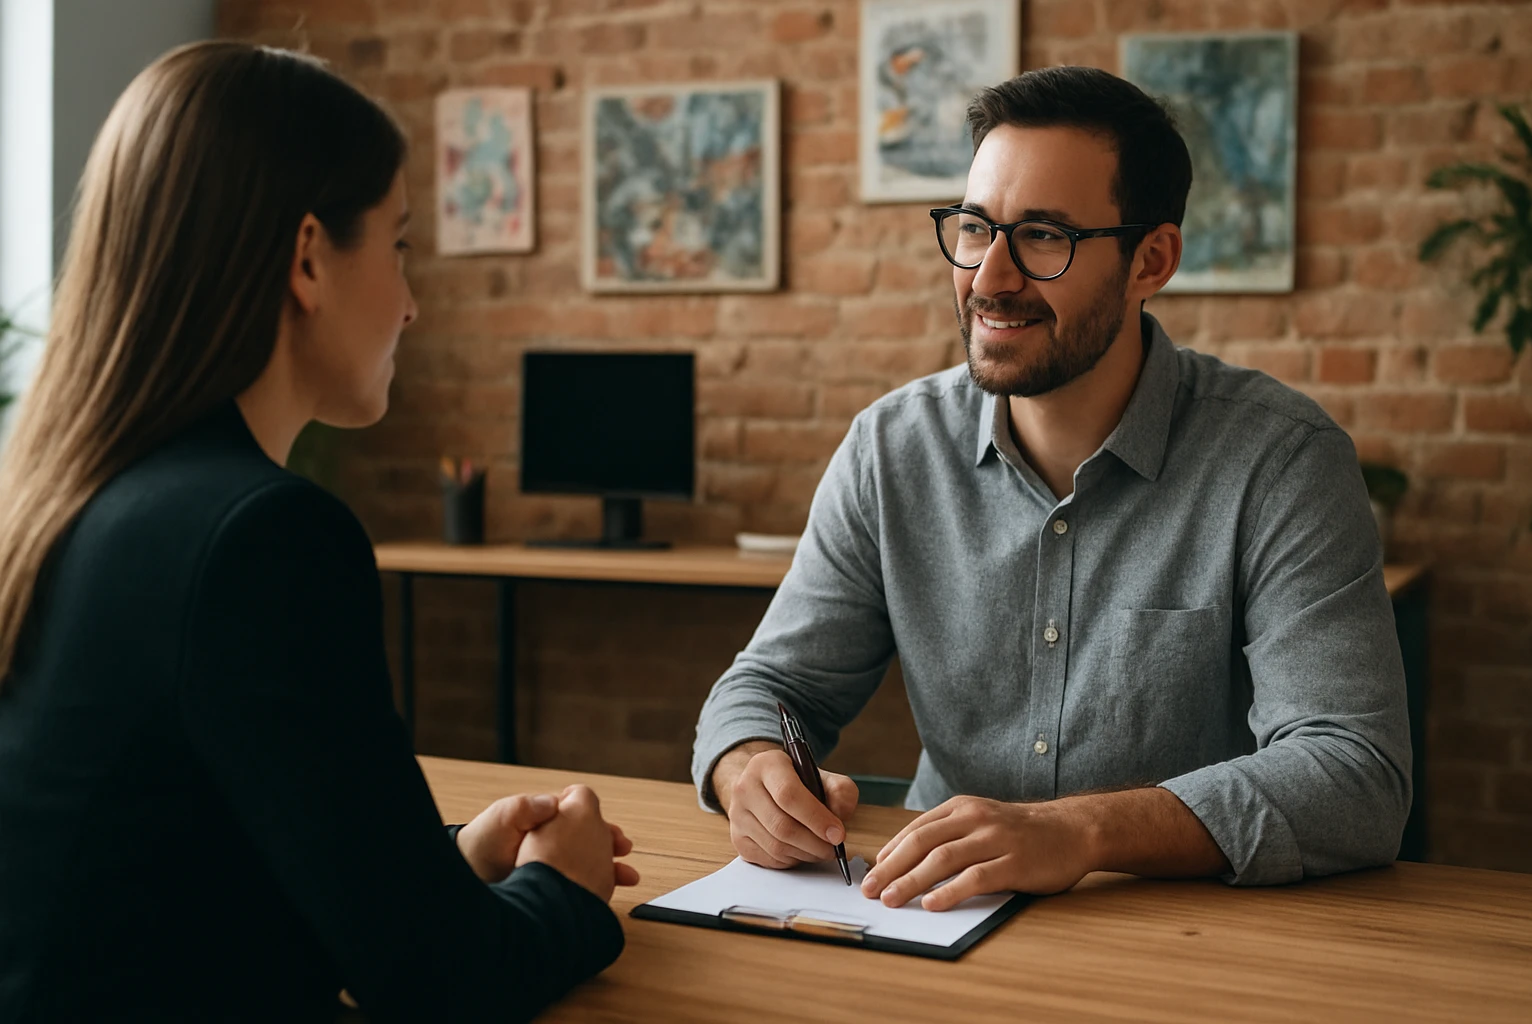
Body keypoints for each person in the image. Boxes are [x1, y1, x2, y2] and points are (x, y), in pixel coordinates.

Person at [0, 42, 634, 1022]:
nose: (414, 301)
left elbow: (171, 880)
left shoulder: (64, 501)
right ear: (307, 258)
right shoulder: (263, 538)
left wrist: (443, 865)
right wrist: (567, 882)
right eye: (399, 243)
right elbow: (443, 985)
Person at [693, 66, 1411, 911]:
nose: (990, 278)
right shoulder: (891, 449)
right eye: (974, 229)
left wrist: (1081, 831)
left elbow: (1354, 771)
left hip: (1178, 934)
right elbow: (768, 689)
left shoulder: (1282, 462)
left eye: (1042, 236)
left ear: (1153, 260)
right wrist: (748, 768)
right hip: (926, 915)